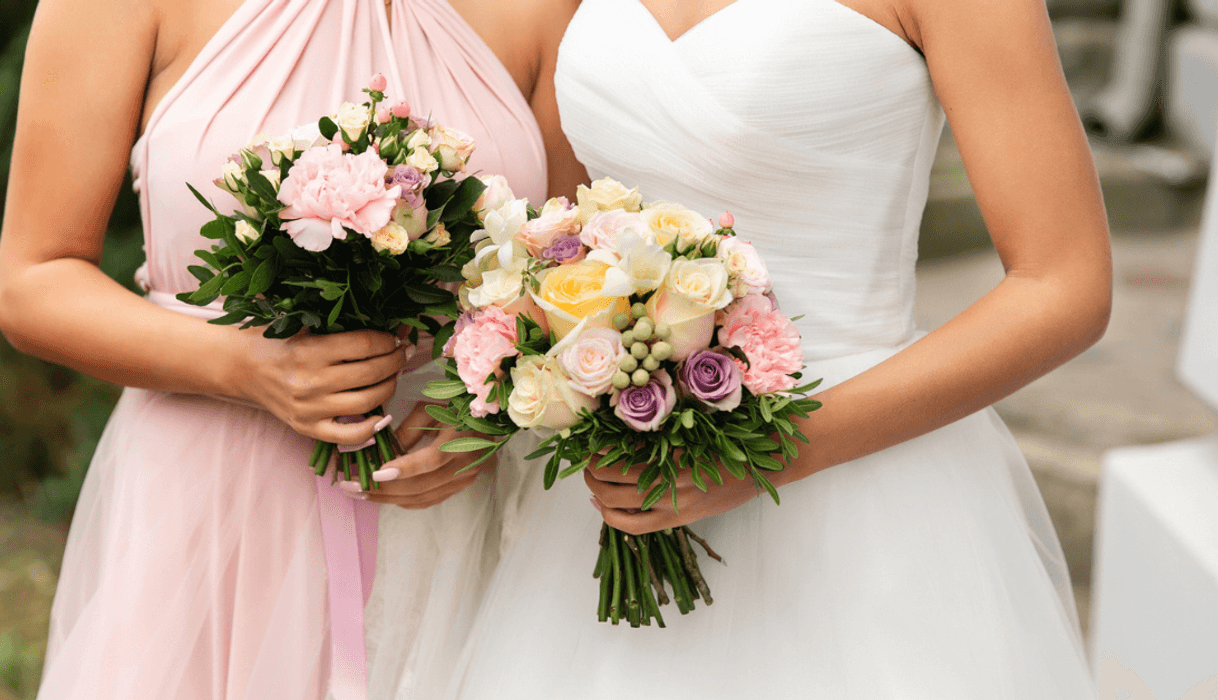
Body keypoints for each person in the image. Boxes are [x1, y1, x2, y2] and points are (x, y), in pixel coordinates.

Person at [445, 0, 1110, 696]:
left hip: (859, 480)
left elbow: (1064, 286)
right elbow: (562, 219)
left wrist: (774, 453)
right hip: (619, 472)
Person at [0, 0, 584, 697]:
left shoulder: (551, 10)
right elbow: (34, 281)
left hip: (445, 507)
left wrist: (485, 407)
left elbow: (563, 262)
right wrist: (245, 366)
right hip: (216, 505)